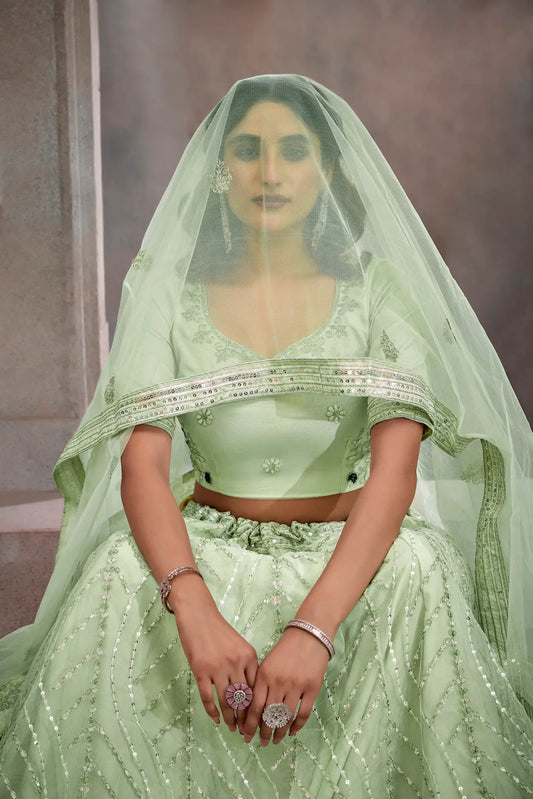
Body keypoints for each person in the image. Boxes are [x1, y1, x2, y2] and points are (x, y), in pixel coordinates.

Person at [1, 74, 532, 798]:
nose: (271, 172)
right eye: (248, 150)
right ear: (219, 170)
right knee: (118, 569)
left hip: (351, 551)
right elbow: (143, 470)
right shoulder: (168, 292)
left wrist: (312, 631)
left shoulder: (380, 291)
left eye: (294, 151)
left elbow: (395, 473)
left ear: (328, 170)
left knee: (417, 567)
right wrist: (193, 608)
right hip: (206, 546)